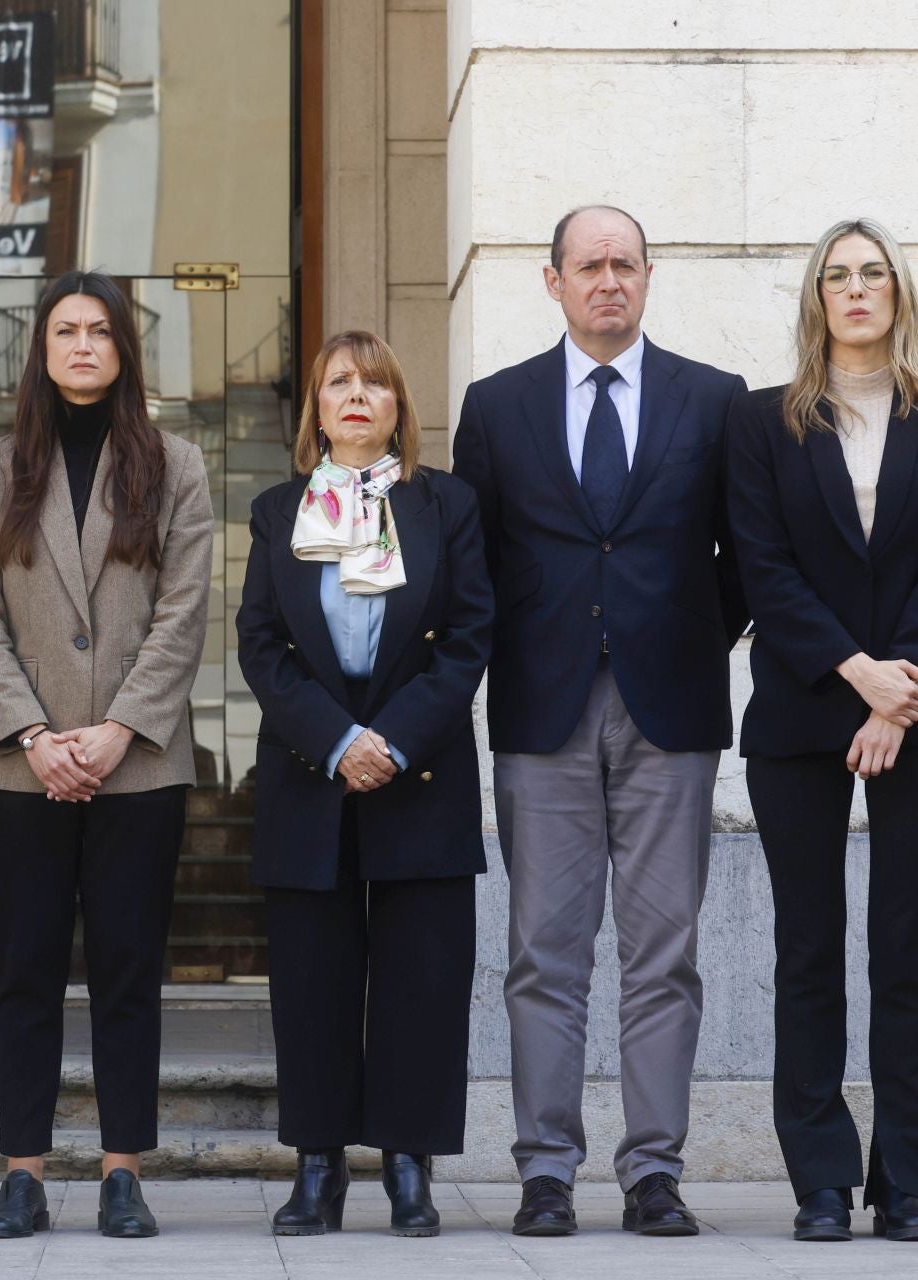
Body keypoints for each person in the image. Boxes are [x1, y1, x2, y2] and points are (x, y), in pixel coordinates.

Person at [452, 205, 749, 1237]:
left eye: (625, 264)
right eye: (589, 266)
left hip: (672, 711)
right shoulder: (497, 408)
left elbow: (742, 558)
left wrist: (684, 635)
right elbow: (472, 564)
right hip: (543, 709)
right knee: (545, 949)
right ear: (553, 281)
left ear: (649, 276)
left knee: (664, 952)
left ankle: (654, 1171)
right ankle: (545, 1169)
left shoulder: (714, 403)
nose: (608, 281)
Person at [0, 270, 212, 1240]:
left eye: (100, 330)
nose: (83, 345)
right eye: (66, 330)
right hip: (23, 765)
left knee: (126, 967)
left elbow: (187, 611)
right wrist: (32, 732)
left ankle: (120, 1168)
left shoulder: (173, 463)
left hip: (138, 763)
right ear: (43, 348)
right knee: (24, 967)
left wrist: (115, 729)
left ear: (123, 349)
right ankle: (22, 1169)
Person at [237, 330, 493, 1238]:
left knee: (423, 979)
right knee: (312, 981)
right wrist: (339, 740)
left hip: (418, 772)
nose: (356, 395)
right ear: (316, 407)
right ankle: (317, 1167)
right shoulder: (278, 510)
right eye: (338, 382)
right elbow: (260, 647)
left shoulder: (445, 506)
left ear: (397, 407)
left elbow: (468, 637)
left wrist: (388, 739)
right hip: (312, 775)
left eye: (374, 383)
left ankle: (410, 1167)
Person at [727, 216, 918, 1244]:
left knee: (908, 949)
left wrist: (900, 694)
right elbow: (763, 567)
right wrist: (858, 679)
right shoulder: (765, 425)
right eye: (837, 276)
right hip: (802, 709)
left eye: (872, 274)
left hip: (917, 711)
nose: (856, 290)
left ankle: (907, 1173)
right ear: (817, 299)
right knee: (808, 948)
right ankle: (819, 1176)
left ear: (896, 293)